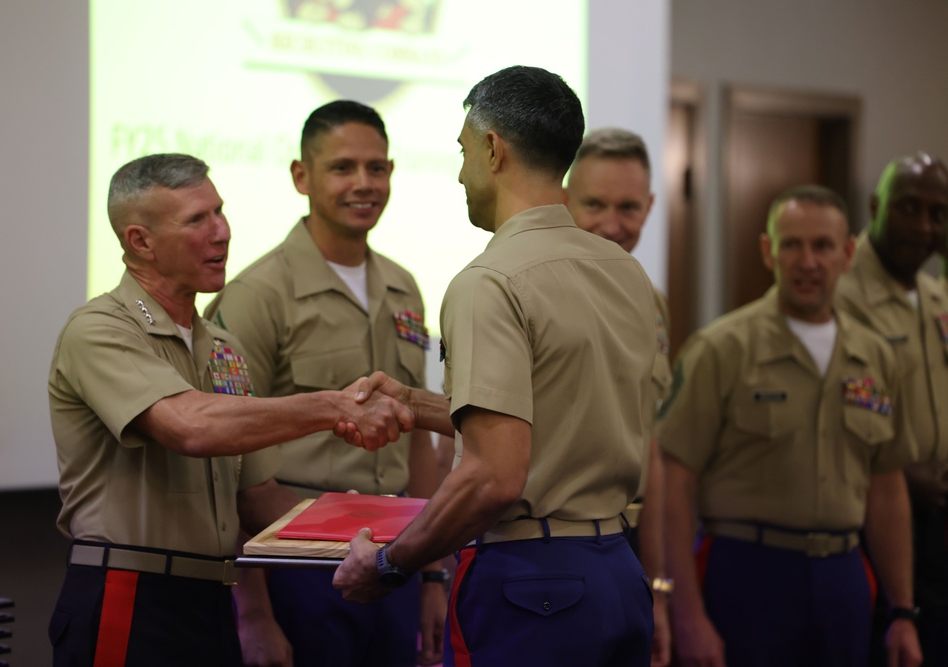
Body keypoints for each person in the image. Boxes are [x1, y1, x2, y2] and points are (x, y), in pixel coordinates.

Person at [332, 65, 657, 667]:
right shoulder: (625, 271)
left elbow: (494, 476)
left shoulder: (490, 281)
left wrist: (388, 564)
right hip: (616, 568)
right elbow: (555, 414)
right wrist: (417, 402)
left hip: (534, 587)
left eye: (462, 150)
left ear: (491, 148)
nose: (460, 173)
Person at [47, 153, 411, 667]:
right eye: (197, 219)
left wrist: (350, 529)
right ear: (140, 242)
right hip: (130, 592)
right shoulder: (100, 329)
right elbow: (189, 426)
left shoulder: (221, 346)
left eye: (219, 212)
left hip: (213, 598)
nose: (222, 232)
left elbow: (257, 496)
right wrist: (332, 406)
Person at [204, 100, 446, 667]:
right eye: (342, 168)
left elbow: (416, 440)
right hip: (300, 567)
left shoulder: (404, 287)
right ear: (301, 176)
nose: (364, 184)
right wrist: (254, 614)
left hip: (397, 558)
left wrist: (433, 574)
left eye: (377, 168)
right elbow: (226, 465)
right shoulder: (257, 295)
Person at [660, 185, 922, 667]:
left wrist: (902, 609)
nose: (807, 261)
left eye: (823, 246)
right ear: (768, 251)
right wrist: (687, 613)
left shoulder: (877, 358)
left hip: (842, 577)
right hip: (747, 574)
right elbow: (673, 483)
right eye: (792, 245)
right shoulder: (721, 349)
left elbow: (886, 490)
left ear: (847, 254)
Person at [564, 127, 673, 667]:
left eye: (629, 207)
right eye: (595, 204)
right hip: (547, 553)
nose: (613, 224)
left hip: (624, 553)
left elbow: (648, 448)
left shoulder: (651, 302)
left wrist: (657, 589)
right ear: (564, 199)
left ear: (650, 206)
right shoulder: (529, 285)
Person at [835, 153, 948, 665]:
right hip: (871, 517)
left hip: (935, 525)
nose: (924, 226)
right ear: (876, 206)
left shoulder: (934, 293)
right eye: (909, 208)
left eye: (938, 214)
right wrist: (901, 474)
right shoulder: (842, 292)